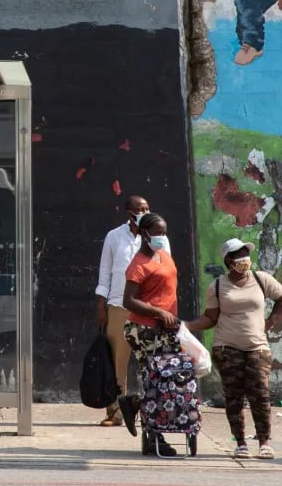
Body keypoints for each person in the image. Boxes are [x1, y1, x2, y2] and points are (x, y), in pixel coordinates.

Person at [188, 237, 282, 460]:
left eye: (245, 254)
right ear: (228, 261)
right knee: (233, 396)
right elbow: (210, 318)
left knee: (260, 394)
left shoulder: (261, 279)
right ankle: (240, 443)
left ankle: (264, 442)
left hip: (257, 347)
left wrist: (270, 323)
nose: (244, 259)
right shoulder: (217, 286)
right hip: (226, 347)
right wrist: (188, 325)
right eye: (238, 256)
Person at [117, 212, 180, 456]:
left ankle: (134, 405)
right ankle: (154, 437)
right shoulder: (138, 264)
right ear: (144, 235)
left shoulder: (164, 256)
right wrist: (158, 313)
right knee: (156, 383)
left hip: (165, 329)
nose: (161, 237)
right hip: (144, 329)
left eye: (164, 233)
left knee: (165, 382)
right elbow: (128, 300)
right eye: (157, 233)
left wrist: (171, 318)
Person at [94, 195, 149, 428]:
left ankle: (151, 412)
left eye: (147, 208)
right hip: (118, 306)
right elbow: (104, 273)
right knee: (117, 362)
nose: (144, 211)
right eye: (140, 209)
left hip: (147, 307)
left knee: (150, 362)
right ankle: (115, 412)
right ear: (129, 213)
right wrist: (101, 304)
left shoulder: (158, 238)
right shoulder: (114, 237)